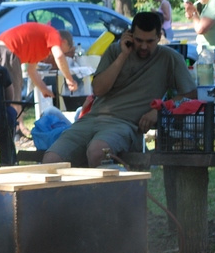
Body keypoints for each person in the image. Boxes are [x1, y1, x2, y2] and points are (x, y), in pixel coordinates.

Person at [42, 11, 196, 167]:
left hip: (125, 124)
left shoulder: (169, 58)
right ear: (130, 35)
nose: (143, 46)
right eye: (138, 40)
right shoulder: (115, 51)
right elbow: (99, 90)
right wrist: (123, 55)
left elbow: (190, 95)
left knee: (97, 152)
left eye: (150, 41)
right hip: (93, 118)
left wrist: (160, 111)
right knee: (51, 160)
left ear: (159, 37)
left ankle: (105, 190)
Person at [0, 22, 78, 100]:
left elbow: (31, 71)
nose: (58, 53)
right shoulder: (53, 34)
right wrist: (70, 80)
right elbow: (59, 56)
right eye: (63, 51)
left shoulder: (41, 45)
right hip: (7, 51)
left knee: (0, 95)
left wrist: (44, 89)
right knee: (14, 99)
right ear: (64, 42)